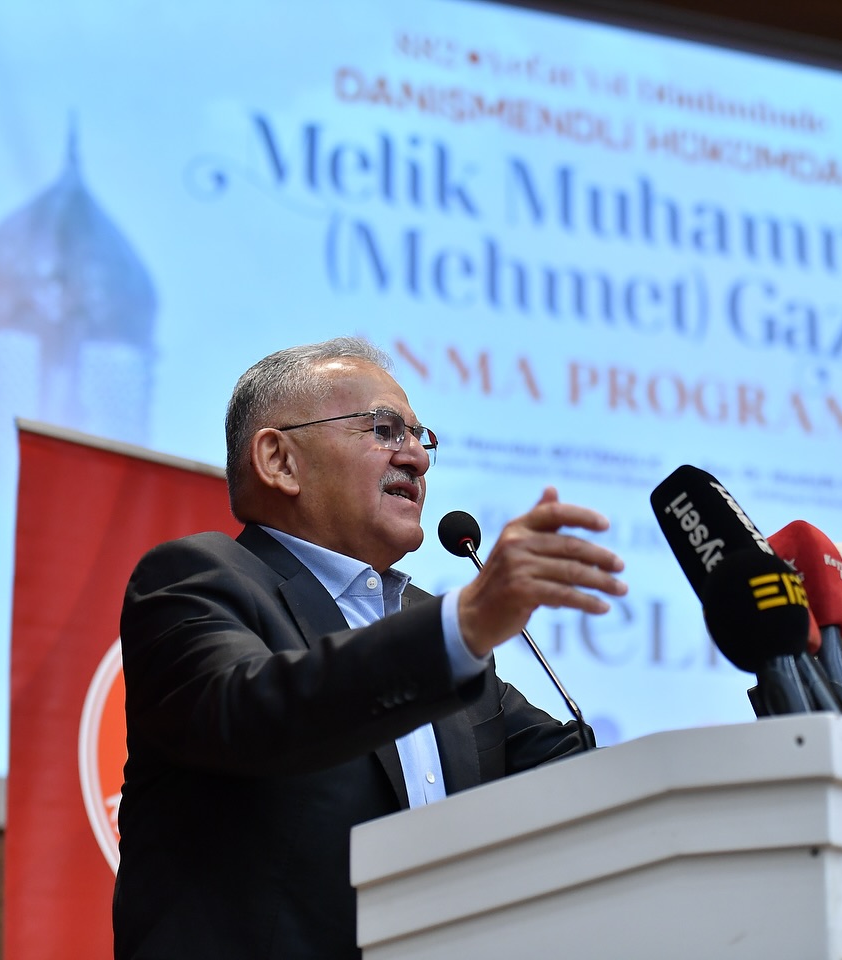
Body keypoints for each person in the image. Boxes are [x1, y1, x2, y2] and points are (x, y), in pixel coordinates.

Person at [113, 337, 628, 959]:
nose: (417, 458)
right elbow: (257, 714)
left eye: (420, 437)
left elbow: (577, 779)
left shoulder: (432, 633)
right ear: (279, 460)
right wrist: (459, 628)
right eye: (385, 430)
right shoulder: (195, 580)